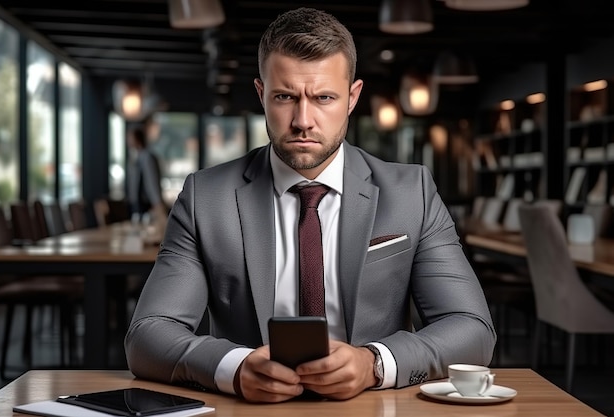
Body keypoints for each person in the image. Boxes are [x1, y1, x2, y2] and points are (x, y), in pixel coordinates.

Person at [125, 7, 496, 404]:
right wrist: (235, 367)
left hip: (370, 409)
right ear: (261, 94)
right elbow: (148, 333)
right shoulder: (206, 197)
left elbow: (471, 328)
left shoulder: (411, 193)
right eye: (285, 96)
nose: (303, 120)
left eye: (323, 97)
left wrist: (374, 364)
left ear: (352, 98)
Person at [126, 125, 167, 230]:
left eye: (130, 138)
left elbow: (151, 181)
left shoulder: (147, 157)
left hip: (147, 205)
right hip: (138, 204)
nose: (128, 141)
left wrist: (157, 203)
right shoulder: (136, 157)